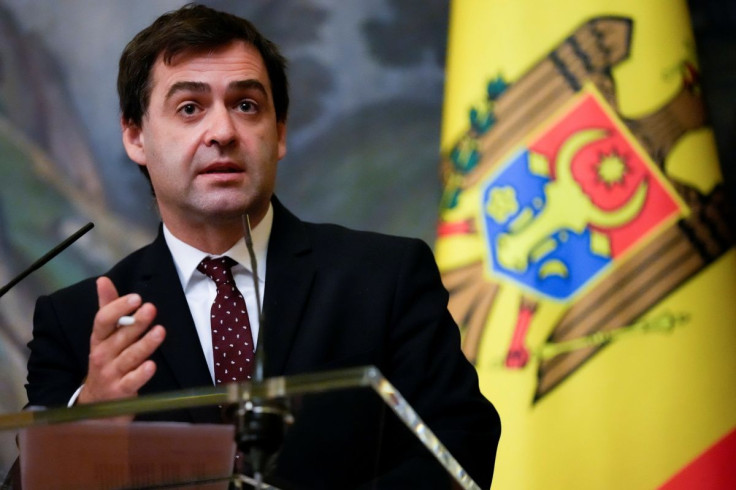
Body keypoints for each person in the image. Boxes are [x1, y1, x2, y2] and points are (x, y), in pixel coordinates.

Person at [24, 4, 500, 488]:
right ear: (135, 136)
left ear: (279, 133)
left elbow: (460, 446)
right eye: (190, 108)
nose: (224, 132)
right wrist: (86, 420)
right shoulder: (77, 322)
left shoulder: (385, 277)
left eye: (246, 105)